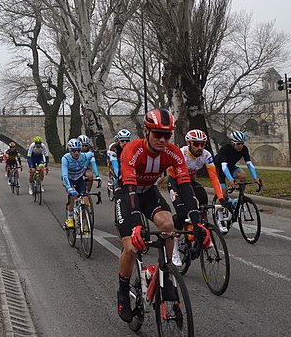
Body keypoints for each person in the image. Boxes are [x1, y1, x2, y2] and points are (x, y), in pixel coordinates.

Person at [112, 109, 209, 324]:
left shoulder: (173, 153)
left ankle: (166, 274)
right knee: (131, 247)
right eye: (158, 134)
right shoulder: (132, 150)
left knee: (168, 226)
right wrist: (137, 225)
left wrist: (197, 223)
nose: (163, 140)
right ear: (146, 131)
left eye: (167, 135)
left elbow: (185, 187)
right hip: (127, 195)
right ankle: (123, 291)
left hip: (148, 194)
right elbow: (129, 188)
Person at [167, 129, 227, 266]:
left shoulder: (206, 155)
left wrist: (221, 198)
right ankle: (174, 246)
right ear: (189, 143)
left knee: (203, 198)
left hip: (190, 181)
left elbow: (213, 177)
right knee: (182, 213)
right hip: (175, 182)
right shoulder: (181, 153)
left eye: (203, 144)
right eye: (196, 144)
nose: (200, 147)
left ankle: (203, 230)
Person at [213, 131, 263, 233]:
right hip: (219, 169)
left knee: (242, 175)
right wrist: (231, 179)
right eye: (238, 143)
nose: (241, 146)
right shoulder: (225, 149)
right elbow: (223, 167)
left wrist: (255, 178)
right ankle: (221, 219)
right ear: (232, 142)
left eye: (242, 143)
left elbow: (249, 163)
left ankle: (240, 198)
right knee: (223, 194)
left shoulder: (244, 149)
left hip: (230, 167)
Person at [61, 138, 100, 228]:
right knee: (73, 196)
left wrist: (97, 176)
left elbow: (91, 156)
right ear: (70, 151)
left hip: (79, 179)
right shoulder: (65, 158)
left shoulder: (85, 156)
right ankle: (70, 218)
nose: (77, 153)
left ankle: (84, 221)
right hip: (69, 179)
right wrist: (70, 189)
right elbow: (64, 175)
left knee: (85, 198)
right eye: (74, 151)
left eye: (78, 150)